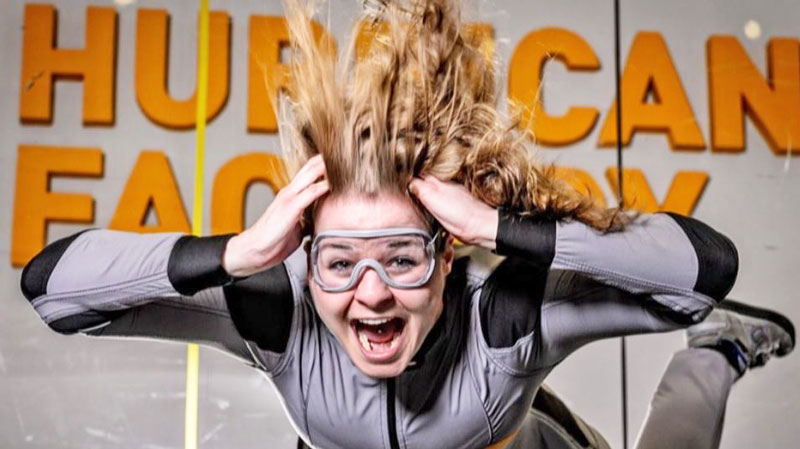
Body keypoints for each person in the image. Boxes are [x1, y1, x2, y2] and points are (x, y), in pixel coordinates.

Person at [19, 1, 794, 448]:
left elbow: (702, 269)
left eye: (400, 257)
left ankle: (717, 350)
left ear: (447, 251)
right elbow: (52, 288)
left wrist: (501, 227)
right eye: (341, 262)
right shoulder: (278, 311)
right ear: (305, 257)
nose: (372, 294)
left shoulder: (504, 319)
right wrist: (240, 252)